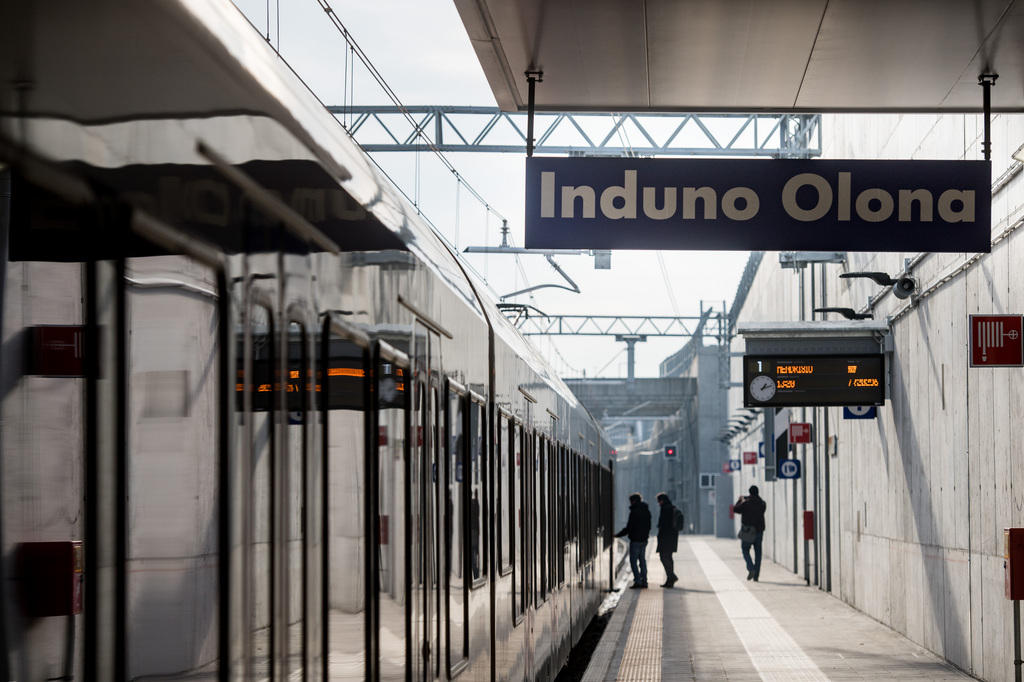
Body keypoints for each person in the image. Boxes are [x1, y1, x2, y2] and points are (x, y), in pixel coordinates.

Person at [615, 492, 651, 588]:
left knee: (633, 561)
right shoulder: (646, 511)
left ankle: (638, 581)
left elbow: (629, 527)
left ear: (633, 501)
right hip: (644, 540)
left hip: (635, 540)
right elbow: (649, 526)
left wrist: (617, 535)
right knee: (642, 560)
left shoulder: (634, 512)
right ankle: (644, 581)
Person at [734, 485, 767, 581]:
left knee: (745, 550)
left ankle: (751, 568)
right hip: (759, 532)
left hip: (748, 532)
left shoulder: (746, 504)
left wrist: (741, 500)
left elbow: (735, 509)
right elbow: (759, 504)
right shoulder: (762, 503)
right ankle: (756, 576)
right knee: (758, 554)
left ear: (749, 493)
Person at [655, 493, 680, 588]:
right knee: (669, 558)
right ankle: (669, 580)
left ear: (662, 500)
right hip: (672, 537)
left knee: (664, 557)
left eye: (659, 501)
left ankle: (671, 577)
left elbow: (663, 524)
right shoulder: (672, 507)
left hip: (666, 538)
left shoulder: (665, 509)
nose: (658, 503)